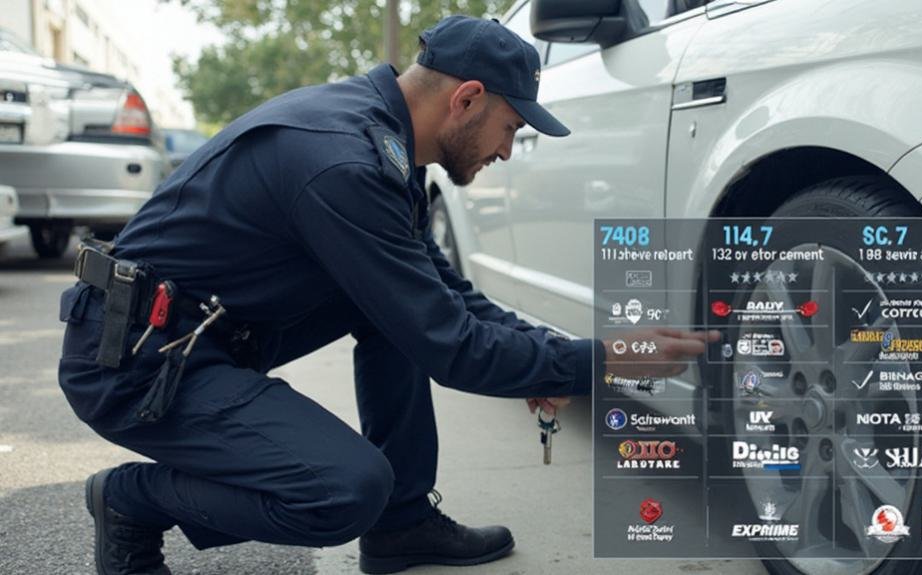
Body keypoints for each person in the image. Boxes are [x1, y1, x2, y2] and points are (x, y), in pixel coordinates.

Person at [58, 15, 715, 575]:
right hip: (133, 363)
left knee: (394, 308)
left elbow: (444, 296)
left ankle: (401, 526)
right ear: (468, 99)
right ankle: (131, 499)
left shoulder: (382, 140)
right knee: (344, 489)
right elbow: (453, 346)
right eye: (511, 128)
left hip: (201, 337)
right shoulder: (343, 163)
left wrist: (545, 355)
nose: (508, 152)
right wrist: (603, 359)